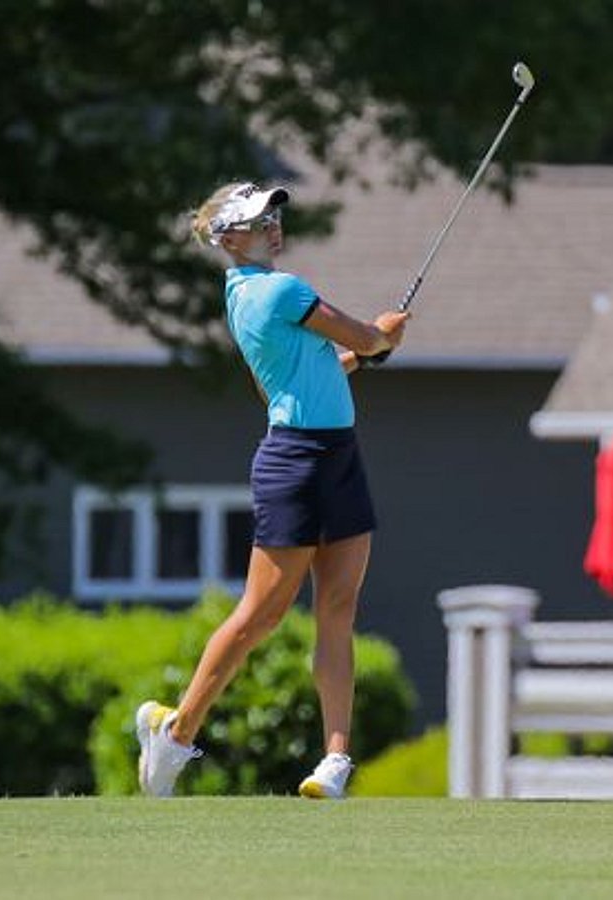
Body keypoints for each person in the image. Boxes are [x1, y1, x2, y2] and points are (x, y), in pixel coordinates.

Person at [135, 181, 409, 799]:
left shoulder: (245, 295)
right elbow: (364, 336)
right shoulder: (282, 290)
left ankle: (334, 762)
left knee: (338, 611)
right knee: (261, 614)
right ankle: (176, 733)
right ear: (231, 238)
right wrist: (383, 336)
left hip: (338, 456)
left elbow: (313, 370)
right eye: (260, 222)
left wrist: (366, 356)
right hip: (294, 463)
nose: (274, 227)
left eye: (275, 217)